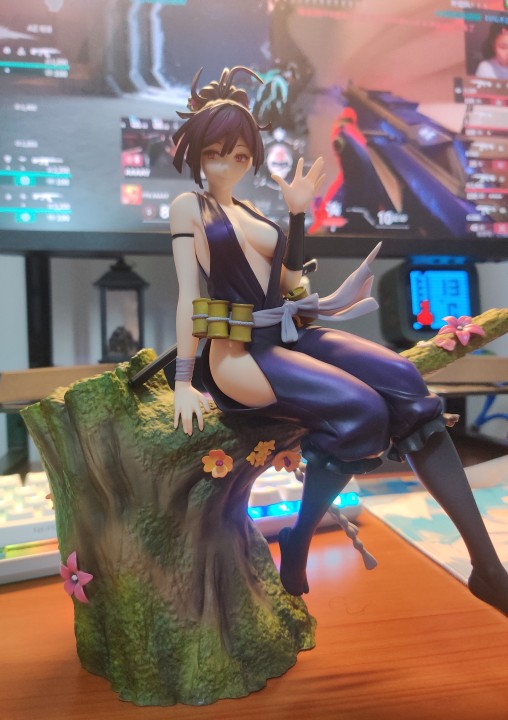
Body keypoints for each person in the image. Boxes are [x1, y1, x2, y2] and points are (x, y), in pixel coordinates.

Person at [169, 66, 508, 613]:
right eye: (215, 154)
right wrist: (185, 380)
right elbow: (189, 296)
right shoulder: (191, 207)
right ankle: (299, 536)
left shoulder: (252, 211)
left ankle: (487, 566)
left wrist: (298, 215)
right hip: (235, 354)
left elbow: (290, 281)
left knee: (404, 380)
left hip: (286, 334)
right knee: (362, 410)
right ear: (196, 154)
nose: (228, 165)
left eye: (240, 155)